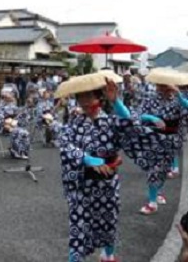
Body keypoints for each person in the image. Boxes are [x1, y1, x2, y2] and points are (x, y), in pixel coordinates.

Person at [57, 73, 171, 262]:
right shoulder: (74, 123)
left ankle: (108, 255)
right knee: (78, 228)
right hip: (81, 185)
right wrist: (86, 158)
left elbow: (134, 127)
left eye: (89, 97)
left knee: (108, 221)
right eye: (80, 98)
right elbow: (64, 144)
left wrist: (117, 102)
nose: (85, 102)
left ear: (98, 97)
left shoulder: (111, 122)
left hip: (106, 185)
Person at [136, 70, 188, 214]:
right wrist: (152, 118)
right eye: (161, 85)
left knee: (164, 170)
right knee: (154, 169)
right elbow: (139, 114)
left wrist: (178, 95)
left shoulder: (179, 99)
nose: (163, 88)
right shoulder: (151, 98)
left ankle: (158, 192)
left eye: (166, 86)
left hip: (172, 140)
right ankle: (152, 202)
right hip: (155, 139)